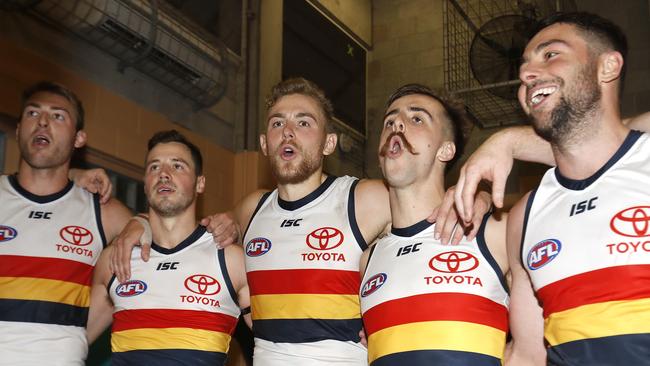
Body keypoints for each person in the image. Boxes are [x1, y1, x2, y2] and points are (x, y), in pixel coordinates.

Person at [112, 77, 493, 365]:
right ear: (264, 144)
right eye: (277, 124)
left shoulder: (363, 199)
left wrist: (478, 199)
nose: (288, 132)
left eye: (304, 123)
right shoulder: (250, 209)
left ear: (329, 143)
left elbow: (423, 194)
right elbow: (182, 227)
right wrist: (140, 222)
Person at [499, 12, 650, 365]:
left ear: (607, 67)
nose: (525, 74)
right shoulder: (524, 217)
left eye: (550, 54)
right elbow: (527, 354)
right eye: (524, 66)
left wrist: (507, 142)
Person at [359, 84, 509, 365]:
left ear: (445, 150)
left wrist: (483, 197)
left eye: (417, 119)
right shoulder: (368, 261)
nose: (397, 124)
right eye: (390, 121)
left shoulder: (493, 234)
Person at [88, 130, 251, 365]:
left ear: (200, 183)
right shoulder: (115, 260)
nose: (163, 174)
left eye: (177, 166)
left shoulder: (230, 259)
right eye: (154, 167)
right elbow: (71, 342)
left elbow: (280, 342)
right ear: (145, 184)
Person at [0, 81, 132, 365]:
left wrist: (78, 343)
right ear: (19, 128)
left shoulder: (101, 211)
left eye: (58, 116)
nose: (43, 122)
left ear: (79, 138)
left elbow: (164, 239)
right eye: (33, 114)